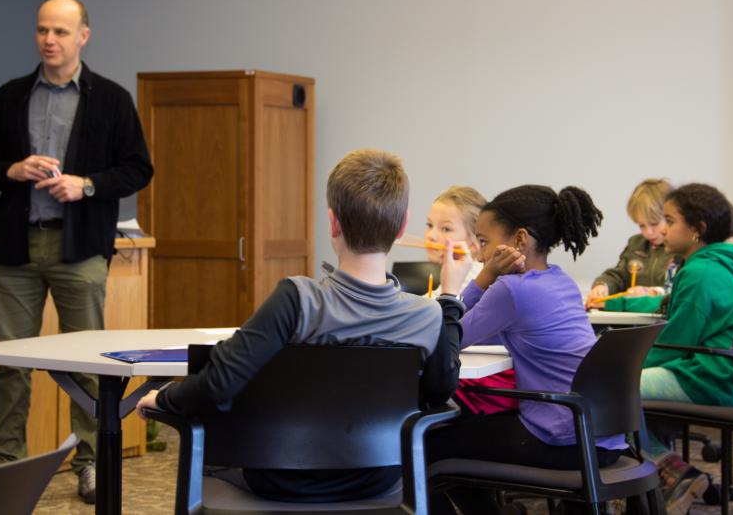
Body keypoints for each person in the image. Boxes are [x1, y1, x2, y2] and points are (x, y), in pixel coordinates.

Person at [136, 149, 464, 503]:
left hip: (280, 479)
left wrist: (163, 398)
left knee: (211, 462)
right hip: (379, 480)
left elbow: (218, 384)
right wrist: (450, 300)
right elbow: (439, 390)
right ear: (401, 228)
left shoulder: (297, 299)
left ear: (333, 222)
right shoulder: (426, 316)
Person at [0, 0, 153, 504]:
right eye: (42, 30)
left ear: (83, 37)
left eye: (61, 32)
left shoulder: (112, 99)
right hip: (14, 249)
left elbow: (139, 169)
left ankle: (90, 464)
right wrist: (12, 170)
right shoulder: (9, 97)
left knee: (87, 363)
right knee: (12, 365)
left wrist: (86, 185)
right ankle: (4, 467)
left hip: (80, 250)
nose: (49, 40)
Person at [427, 184, 626, 515]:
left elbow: (449, 338)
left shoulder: (511, 289)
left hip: (560, 439)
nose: (479, 254)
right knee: (459, 436)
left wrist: (480, 280)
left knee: (425, 444)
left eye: (486, 243)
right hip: (600, 434)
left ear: (519, 240)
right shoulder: (559, 279)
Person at [639, 183, 733, 515]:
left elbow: (675, 342)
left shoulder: (698, 271)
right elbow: (671, 305)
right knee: (640, 389)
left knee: (606, 389)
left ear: (697, 230)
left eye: (669, 221)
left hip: (710, 380)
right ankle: (666, 481)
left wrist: (627, 365)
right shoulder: (728, 264)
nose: (663, 229)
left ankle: (674, 473)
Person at [424, 186, 517, 416]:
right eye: (429, 225)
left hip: (485, 393)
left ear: (475, 244)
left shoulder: (479, 279)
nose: (432, 236)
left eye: (446, 228)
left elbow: (441, 333)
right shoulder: (452, 275)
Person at [586, 178, 675, 308]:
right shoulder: (636, 243)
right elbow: (619, 275)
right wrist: (603, 286)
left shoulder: (679, 249)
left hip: (662, 317)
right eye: (641, 225)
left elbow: (677, 291)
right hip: (632, 318)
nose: (648, 232)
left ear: (670, 217)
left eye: (654, 223)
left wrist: (652, 292)